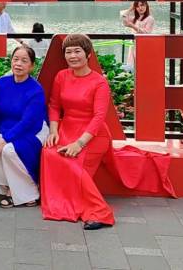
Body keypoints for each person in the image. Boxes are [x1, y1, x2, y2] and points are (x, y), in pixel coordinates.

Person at [41, 34, 175, 230]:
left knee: (73, 163)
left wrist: (79, 144)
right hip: (67, 129)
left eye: (77, 51)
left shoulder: (99, 82)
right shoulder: (61, 76)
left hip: (93, 135)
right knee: (49, 153)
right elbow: (54, 105)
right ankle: (62, 202)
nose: (72, 56)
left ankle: (100, 212)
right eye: (68, 52)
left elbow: (98, 117)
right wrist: (53, 130)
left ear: (88, 54)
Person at [0, 44, 48, 208]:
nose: (18, 64)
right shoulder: (2, 84)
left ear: (32, 66)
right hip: (9, 129)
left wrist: (4, 140)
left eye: (24, 61)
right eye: (16, 59)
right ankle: (9, 185)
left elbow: (29, 122)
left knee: (9, 150)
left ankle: (29, 192)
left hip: (34, 131)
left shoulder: (36, 90)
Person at [120, 1, 154, 69]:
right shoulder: (135, 18)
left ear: (146, 6)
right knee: (131, 66)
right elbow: (123, 20)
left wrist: (133, 26)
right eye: (137, 6)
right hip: (133, 45)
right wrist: (131, 8)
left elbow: (146, 33)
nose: (140, 8)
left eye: (142, 5)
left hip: (143, 45)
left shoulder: (150, 19)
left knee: (141, 66)